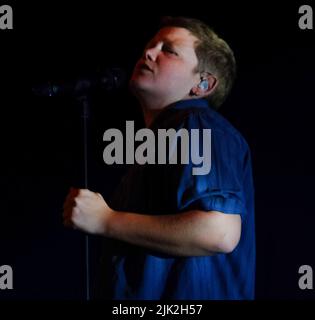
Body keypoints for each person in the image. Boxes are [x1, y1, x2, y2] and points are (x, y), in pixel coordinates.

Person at [63, 16, 255, 300]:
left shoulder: (197, 123)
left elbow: (218, 231)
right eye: (150, 46)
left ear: (202, 84)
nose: (148, 53)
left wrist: (106, 221)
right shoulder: (163, 140)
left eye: (169, 50)